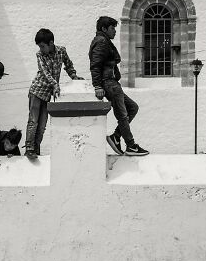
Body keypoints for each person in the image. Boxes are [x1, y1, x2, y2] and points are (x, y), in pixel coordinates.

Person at [89, 16, 149, 156]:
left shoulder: (104, 41)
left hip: (112, 83)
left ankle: (116, 137)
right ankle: (131, 145)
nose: (115, 31)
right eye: (112, 28)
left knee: (132, 107)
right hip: (108, 83)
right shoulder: (101, 42)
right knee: (122, 115)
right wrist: (97, 86)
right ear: (104, 29)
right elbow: (95, 65)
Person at [26, 28, 84, 159]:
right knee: (33, 121)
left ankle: (36, 149)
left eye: (42, 46)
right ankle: (29, 148)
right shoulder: (39, 55)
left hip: (48, 94)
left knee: (42, 126)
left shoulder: (61, 51)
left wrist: (74, 76)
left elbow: (68, 65)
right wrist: (55, 85)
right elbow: (45, 72)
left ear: (51, 43)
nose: (41, 49)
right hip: (37, 90)